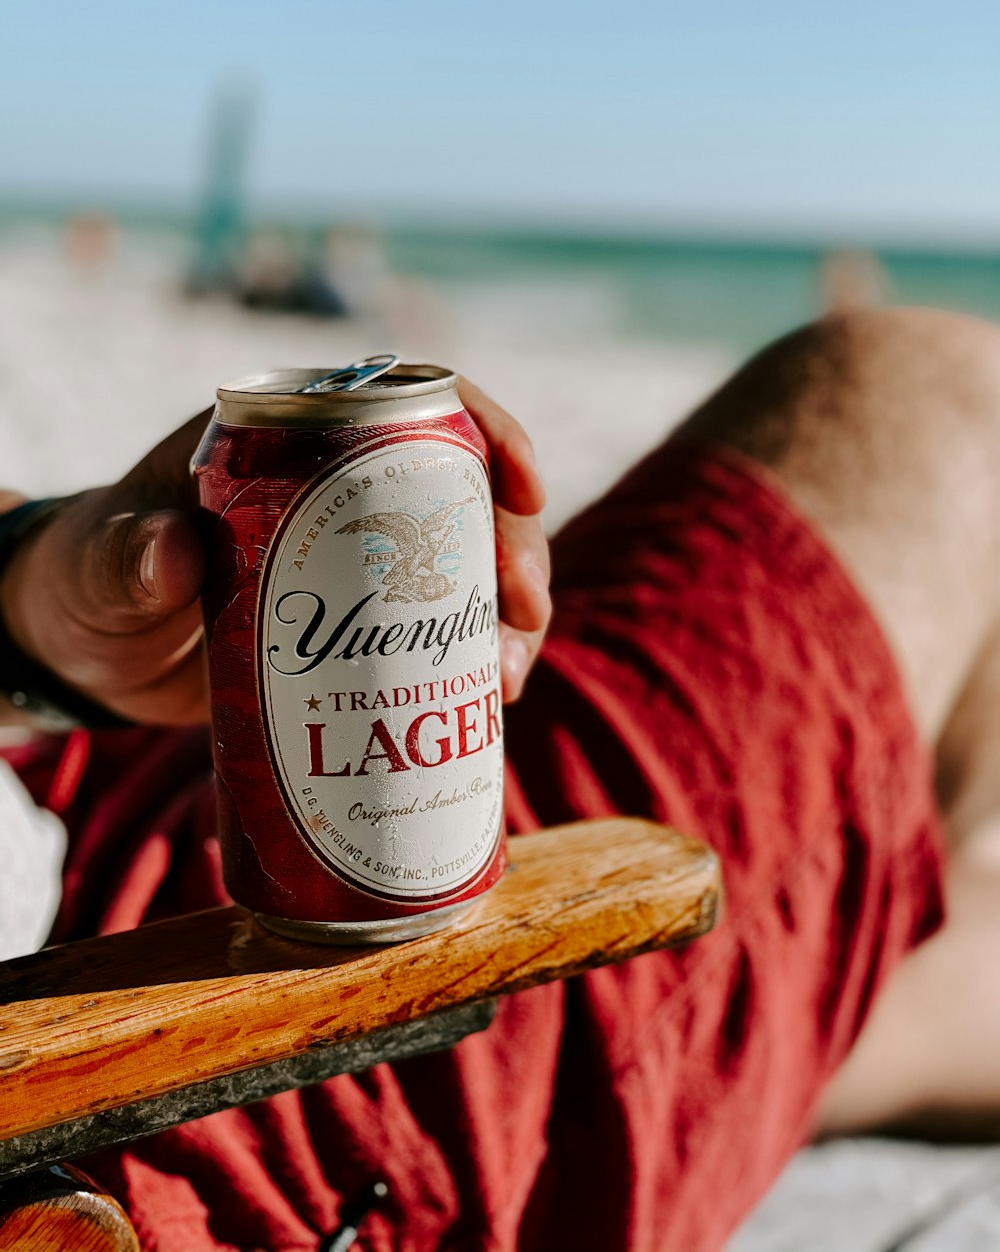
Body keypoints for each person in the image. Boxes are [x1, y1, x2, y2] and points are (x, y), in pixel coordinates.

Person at [1, 306, 997, 1250]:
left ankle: (792, 1032)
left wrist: (30, 609)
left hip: (96, 794)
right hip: (182, 1107)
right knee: (933, 390)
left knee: (885, 967)